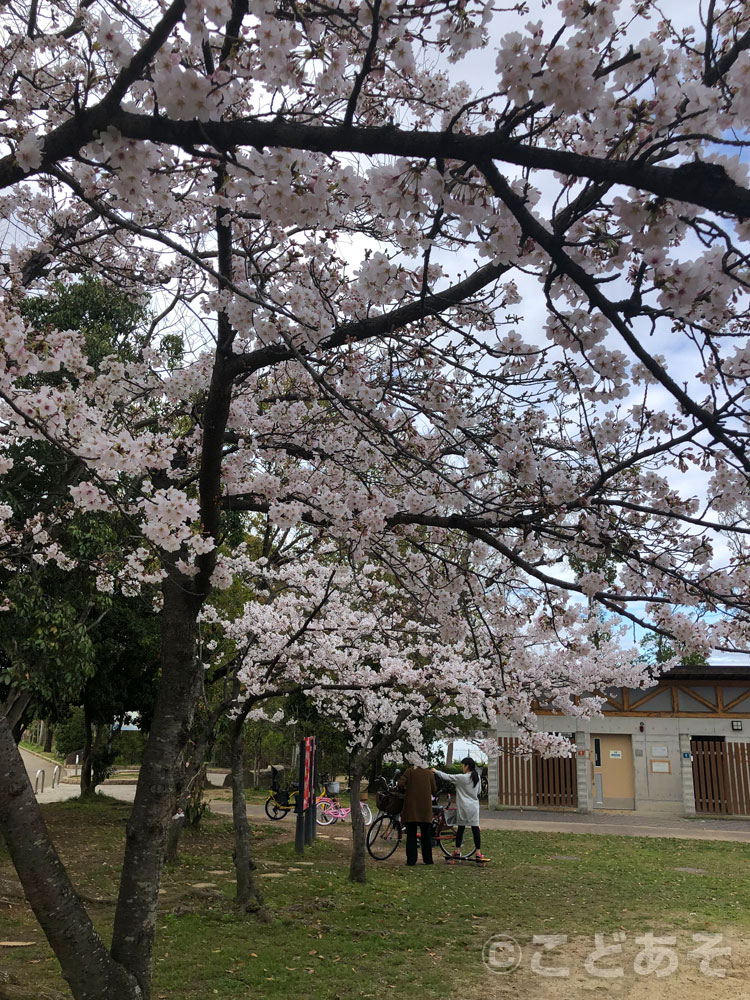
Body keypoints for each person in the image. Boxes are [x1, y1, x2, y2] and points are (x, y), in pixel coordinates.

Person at [432, 757, 484, 860]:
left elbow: (447, 777)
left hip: (463, 807)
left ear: (467, 766)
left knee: (461, 828)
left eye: (462, 765)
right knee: (475, 829)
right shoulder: (477, 777)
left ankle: (457, 850)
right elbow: (478, 792)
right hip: (474, 807)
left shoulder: (462, 778)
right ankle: (478, 852)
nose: (462, 768)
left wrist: (435, 771)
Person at [397, 765, 436, 866]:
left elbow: (400, 783)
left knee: (411, 834)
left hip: (412, 808)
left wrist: (406, 790)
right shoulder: (429, 773)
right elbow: (434, 789)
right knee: (426, 834)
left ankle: (411, 860)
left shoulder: (409, 771)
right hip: (425, 809)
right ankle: (428, 860)